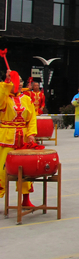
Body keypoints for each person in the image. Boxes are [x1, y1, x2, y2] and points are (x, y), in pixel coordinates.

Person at [0, 70, 37, 209]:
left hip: (23, 138)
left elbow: (32, 118)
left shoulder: (27, 99)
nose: (20, 84)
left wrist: (31, 134)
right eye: (16, 81)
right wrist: (7, 82)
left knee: (25, 170)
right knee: (1, 170)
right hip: (7, 137)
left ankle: (25, 199)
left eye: (21, 81)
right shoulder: (4, 97)